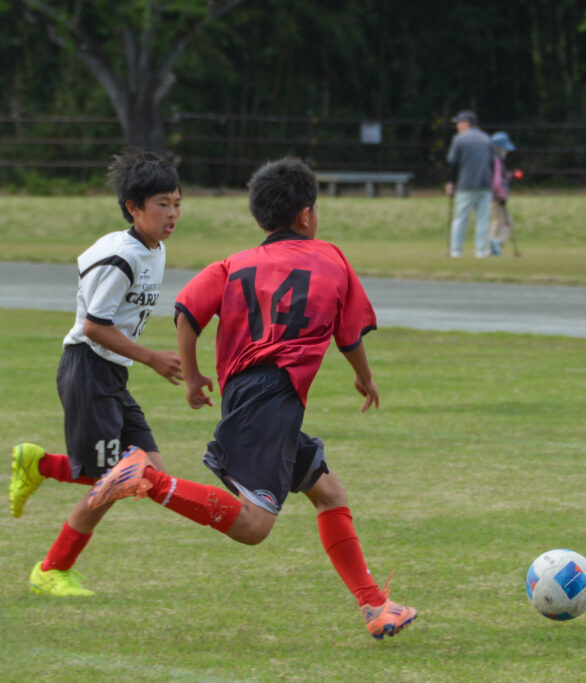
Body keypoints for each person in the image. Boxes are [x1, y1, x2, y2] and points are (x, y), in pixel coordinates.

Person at [86, 157, 418, 640]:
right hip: (272, 398)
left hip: (249, 396)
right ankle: (146, 479)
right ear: (306, 215)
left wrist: (194, 377)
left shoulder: (233, 264)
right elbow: (349, 335)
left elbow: (187, 312)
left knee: (328, 492)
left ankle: (375, 605)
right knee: (254, 526)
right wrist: (364, 378)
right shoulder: (332, 258)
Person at [8, 149, 184, 596]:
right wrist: (151, 357)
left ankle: (40, 464)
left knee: (148, 475)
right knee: (117, 480)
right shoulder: (121, 257)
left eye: (177, 203)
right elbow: (93, 327)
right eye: (162, 204)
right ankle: (52, 569)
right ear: (133, 207)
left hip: (112, 375)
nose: (172, 214)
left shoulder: (155, 250)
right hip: (88, 370)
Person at [445, 110, 493, 258]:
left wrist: (451, 182)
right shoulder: (486, 138)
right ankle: (480, 250)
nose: (457, 126)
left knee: (461, 218)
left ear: (467, 123)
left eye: (459, 123)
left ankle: (455, 250)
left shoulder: (459, 139)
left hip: (466, 185)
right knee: (483, 219)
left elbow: (453, 163)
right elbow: (492, 162)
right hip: (485, 184)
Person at [488, 131, 517, 256]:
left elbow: (498, 177)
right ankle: (493, 247)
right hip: (497, 197)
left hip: (494, 196)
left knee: (503, 222)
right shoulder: (496, 160)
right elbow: (496, 182)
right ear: (498, 147)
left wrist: (509, 176)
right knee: (500, 223)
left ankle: (496, 245)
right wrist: (502, 195)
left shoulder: (492, 159)